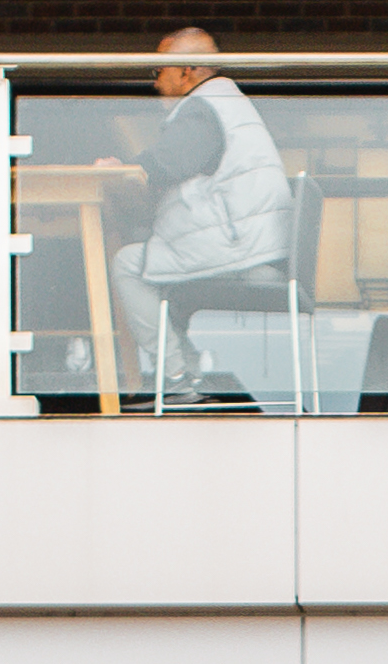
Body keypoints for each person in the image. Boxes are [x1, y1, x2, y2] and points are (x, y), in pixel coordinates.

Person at [111, 26, 292, 399]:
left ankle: (176, 378)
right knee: (156, 264)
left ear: (187, 70)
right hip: (256, 246)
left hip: (239, 248)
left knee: (128, 264)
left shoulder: (203, 107)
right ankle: (187, 374)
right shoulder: (226, 101)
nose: (156, 83)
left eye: (159, 71)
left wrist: (122, 167)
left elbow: (166, 163)